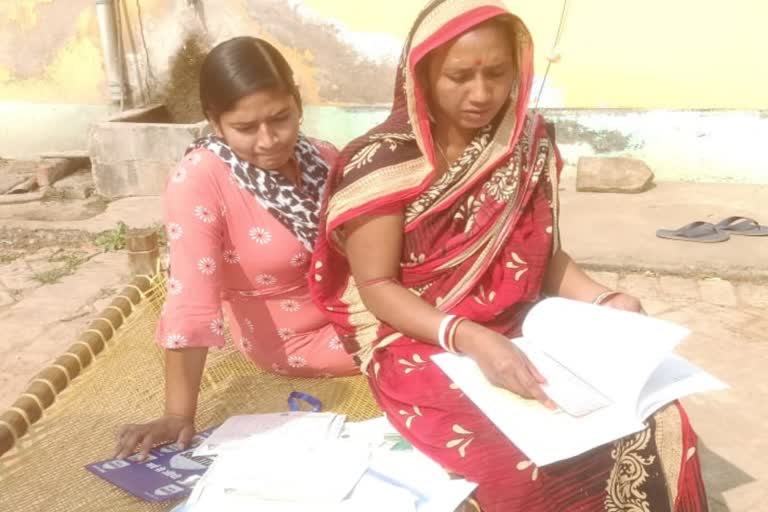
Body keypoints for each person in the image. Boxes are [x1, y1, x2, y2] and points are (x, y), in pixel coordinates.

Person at [310, 1, 706, 510]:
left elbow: (543, 256)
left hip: (521, 329)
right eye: (459, 76)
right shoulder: (382, 162)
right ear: (422, 73)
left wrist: (604, 299)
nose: (481, 94)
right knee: (515, 464)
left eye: (497, 74)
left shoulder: (528, 142)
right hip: (422, 337)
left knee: (655, 416)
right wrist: (470, 338)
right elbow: (378, 288)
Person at [114, 37, 356, 460]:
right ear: (214, 121)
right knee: (421, 338)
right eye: (245, 128)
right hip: (291, 338)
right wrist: (176, 414)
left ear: (298, 102)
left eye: (280, 117)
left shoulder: (322, 157)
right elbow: (191, 296)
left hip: (355, 302)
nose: (268, 140)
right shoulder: (200, 180)